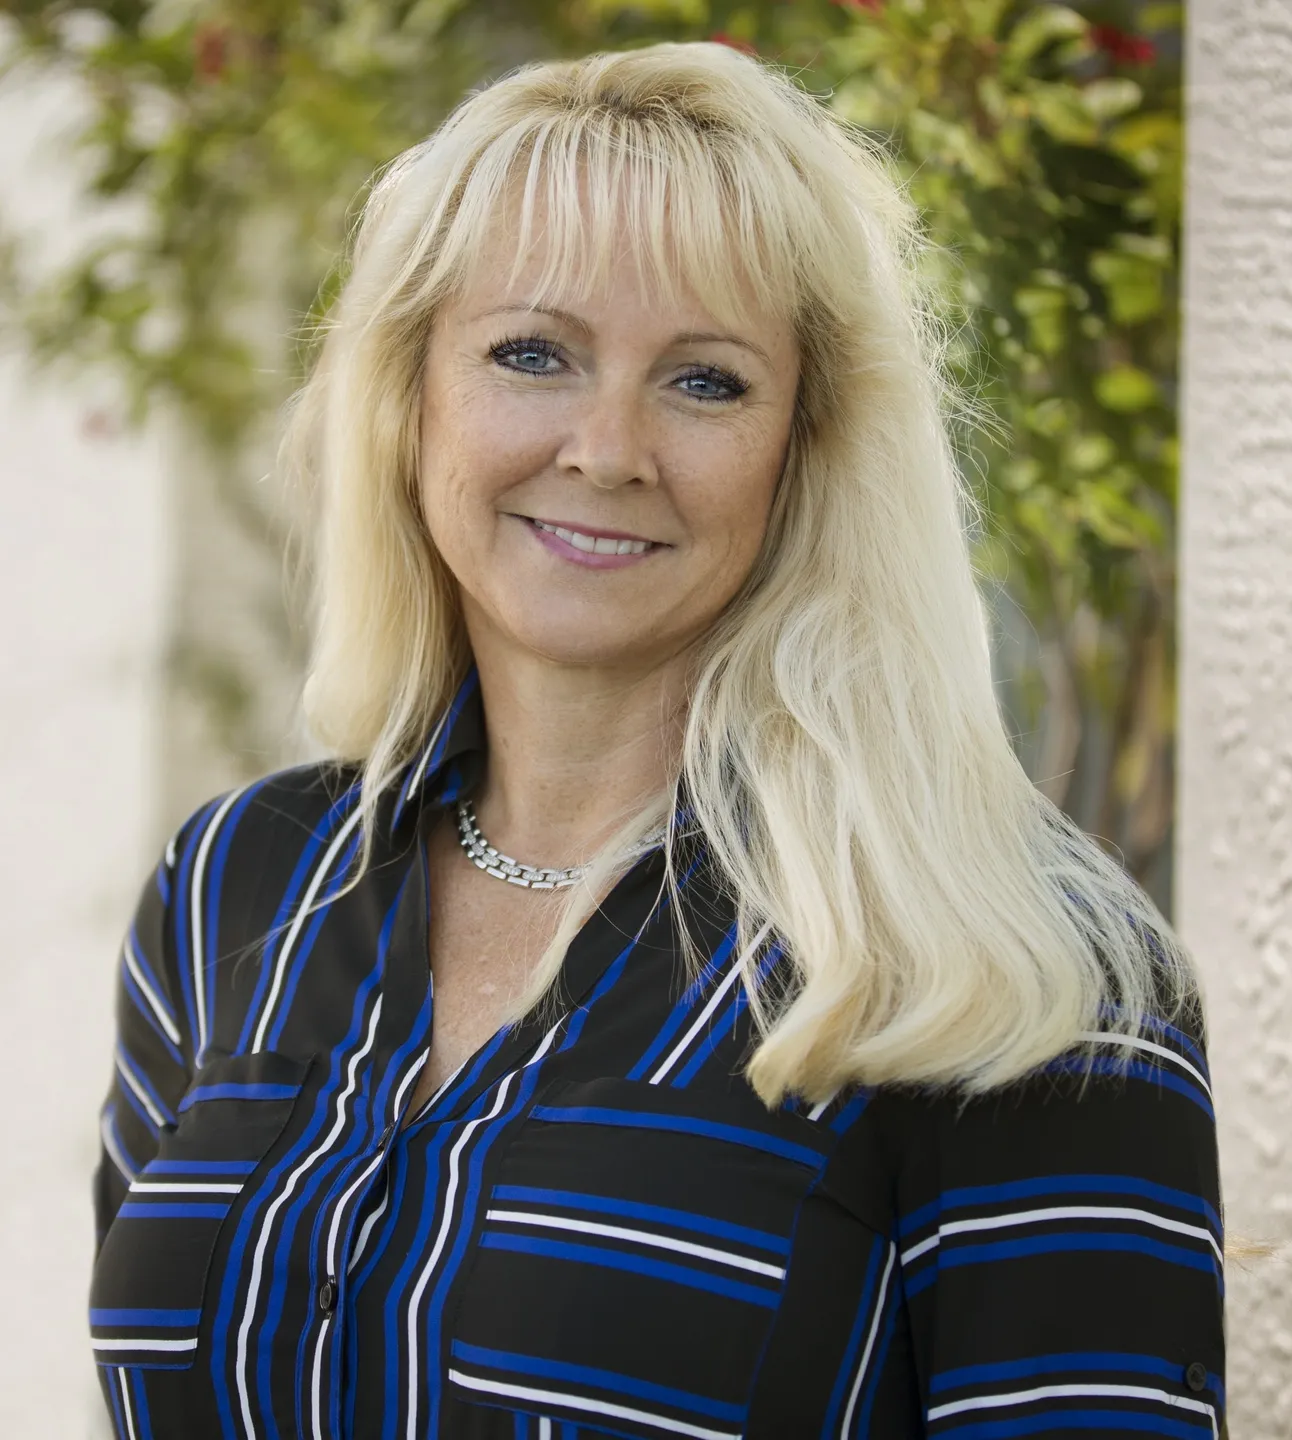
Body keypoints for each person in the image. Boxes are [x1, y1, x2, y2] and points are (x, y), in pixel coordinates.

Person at [89, 40, 1225, 1440]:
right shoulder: (234, 891)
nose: (609, 447)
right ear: (411, 400)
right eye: (531, 353)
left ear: (804, 449)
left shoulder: (1014, 965)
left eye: (705, 383)